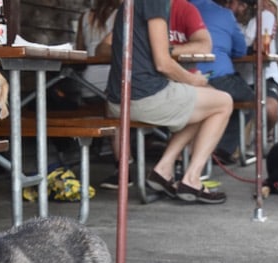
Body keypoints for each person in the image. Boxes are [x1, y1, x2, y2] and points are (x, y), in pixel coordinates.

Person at [105, 0, 233, 204]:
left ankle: (163, 170)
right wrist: (193, 79)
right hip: (142, 97)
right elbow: (163, 63)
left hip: (117, 99)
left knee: (202, 101)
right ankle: (192, 179)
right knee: (223, 102)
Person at [191, 0, 255, 165]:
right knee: (249, 99)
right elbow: (240, 50)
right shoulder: (224, 14)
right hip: (217, 76)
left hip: (181, 77)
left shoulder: (173, 9)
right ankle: (222, 149)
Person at [75, 0, 124, 190]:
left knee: (112, 112)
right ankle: (124, 164)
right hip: (113, 83)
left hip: (87, 85)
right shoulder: (124, 13)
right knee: (118, 112)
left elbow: (79, 50)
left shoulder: (84, 17)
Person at [229, 0, 278, 142]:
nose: (229, 7)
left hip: (265, 76)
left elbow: (255, 45)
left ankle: (263, 134)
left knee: (270, 109)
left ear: (245, 5)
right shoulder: (228, 18)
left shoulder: (265, 16)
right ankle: (238, 142)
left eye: (233, 3)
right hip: (238, 77)